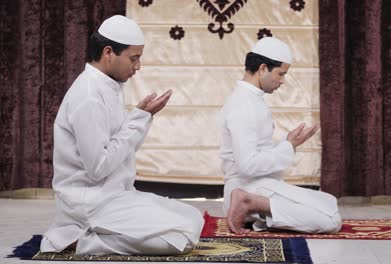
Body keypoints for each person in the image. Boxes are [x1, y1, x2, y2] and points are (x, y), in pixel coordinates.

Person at [40, 15, 204, 256]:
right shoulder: (88, 96)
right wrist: (137, 120)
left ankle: (87, 232)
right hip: (92, 203)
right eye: (134, 58)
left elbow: (119, 149)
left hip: (116, 196)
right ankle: (81, 241)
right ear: (108, 52)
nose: (137, 67)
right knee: (180, 237)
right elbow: (99, 167)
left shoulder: (108, 86)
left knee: (192, 217)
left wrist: (141, 117)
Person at [219, 37, 342, 235]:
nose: (282, 81)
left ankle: (256, 205)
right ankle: (250, 203)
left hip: (255, 185)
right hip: (246, 188)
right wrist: (288, 147)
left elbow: (256, 151)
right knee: (331, 220)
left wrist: (289, 144)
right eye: (281, 74)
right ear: (262, 68)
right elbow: (247, 165)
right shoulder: (244, 106)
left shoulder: (250, 99)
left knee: (328, 203)